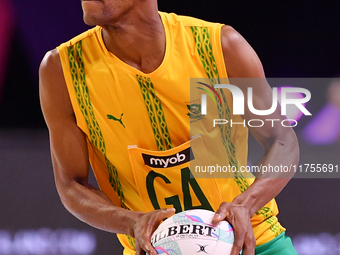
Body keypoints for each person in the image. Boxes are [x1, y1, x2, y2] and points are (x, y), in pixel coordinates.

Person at [39, 0, 299, 254]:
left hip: (252, 241)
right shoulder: (61, 70)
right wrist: (131, 221)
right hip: (154, 249)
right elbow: (71, 184)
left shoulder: (220, 45)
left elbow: (283, 139)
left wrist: (245, 205)